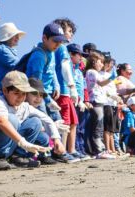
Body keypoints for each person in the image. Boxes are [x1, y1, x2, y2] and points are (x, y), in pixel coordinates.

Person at [0, 71, 59, 170]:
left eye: (24, 93)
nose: (20, 98)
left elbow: (46, 119)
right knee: (12, 119)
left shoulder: (24, 106)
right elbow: (2, 122)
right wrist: (23, 143)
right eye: (16, 93)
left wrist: (57, 140)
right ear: (5, 91)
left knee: (35, 121)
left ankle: (18, 157)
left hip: (9, 148)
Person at [53, 18, 82, 160]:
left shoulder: (59, 48)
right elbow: (65, 68)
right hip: (63, 90)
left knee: (72, 121)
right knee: (64, 121)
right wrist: (72, 87)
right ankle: (62, 151)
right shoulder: (62, 48)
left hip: (65, 91)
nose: (71, 34)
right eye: (69, 31)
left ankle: (71, 149)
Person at [25, 23, 65, 121]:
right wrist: (48, 100)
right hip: (37, 96)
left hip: (47, 94)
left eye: (60, 42)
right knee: (44, 124)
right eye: (55, 41)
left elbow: (52, 70)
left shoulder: (51, 52)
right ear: (44, 38)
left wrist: (56, 85)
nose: (58, 44)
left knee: (59, 124)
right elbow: (36, 82)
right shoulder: (39, 56)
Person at [84, 51, 116, 159]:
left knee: (97, 126)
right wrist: (112, 78)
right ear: (94, 62)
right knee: (97, 127)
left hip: (98, 101)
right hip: (95, 101)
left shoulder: (90, 72)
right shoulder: (92, 72)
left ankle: (96, 150)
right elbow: (102, 83)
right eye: (100, 62)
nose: (102, 65)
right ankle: (98, 150)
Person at [67, 43, 90, 159]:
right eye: (79, 54)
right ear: (71, 54)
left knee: (80, 127)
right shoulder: (69, 69)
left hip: (80, 102)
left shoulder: (79, 72)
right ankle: (73, 148)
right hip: (72, 101)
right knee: (72, 125)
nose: (81, 57)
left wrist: (84, 100)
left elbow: (83, 87)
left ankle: (80, 148)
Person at [0, 22, 26, 90]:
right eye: (15, 35)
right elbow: (18, 66)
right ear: (7, 37)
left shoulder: (6, 50)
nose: (18, 38)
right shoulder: (2, 50)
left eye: (17, 35)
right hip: (2, 91)